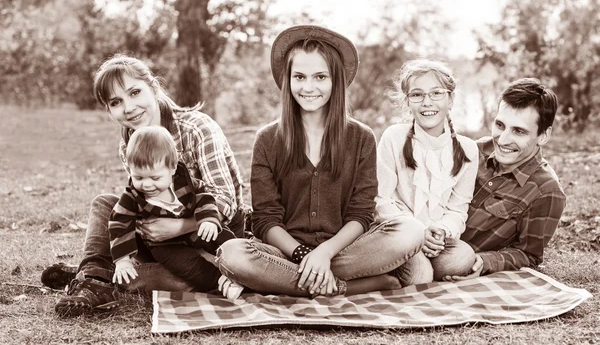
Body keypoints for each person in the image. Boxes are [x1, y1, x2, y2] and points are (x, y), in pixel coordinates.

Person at [216, 25, 425, 299]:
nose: (309, 87)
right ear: (287, 80)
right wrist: (304, 254)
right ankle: (343, 287)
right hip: (286, 252)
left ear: (335, 81)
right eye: (299, 77)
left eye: (320, 77)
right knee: (232, 255)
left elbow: (360, 215)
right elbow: (266, 220)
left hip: (343, 251)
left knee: (410, 231)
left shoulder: (361, 137)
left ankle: (284, 280)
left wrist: (324, 254)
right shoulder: (267, 139)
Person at [44, 54, 246, 316]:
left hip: (211, 235)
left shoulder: (196, 128)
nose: (129, 108)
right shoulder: (129, 142)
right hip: (165, 245)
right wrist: (141, 231)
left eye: (135, 92)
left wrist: (178, 227)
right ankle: (95, 273)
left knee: (184, 279)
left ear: (154, 88)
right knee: (106, 204)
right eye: (116, 102)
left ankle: (97, 277)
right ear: (109, 110)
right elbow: (139, 199)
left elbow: (224, 199)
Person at [445, 78, 566, 281]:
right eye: (500, 125)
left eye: (518, 131)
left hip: (454, 258)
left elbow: (528, 254)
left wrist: (485, 262)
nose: (502, 140)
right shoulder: (473, 151)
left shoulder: (546, 191)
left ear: (543, 136)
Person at [375, 59, 478, 286]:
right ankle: (396, 269)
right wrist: (418, 232)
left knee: (463, 256)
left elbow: (458, 209)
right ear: (407, 102)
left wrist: (441, 231)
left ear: (450, 99)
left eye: (436, 93)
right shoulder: (394, 138)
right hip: (398, 233)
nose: (427, 102)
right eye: (417, 95)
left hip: (436, 239)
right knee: (420, 276)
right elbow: (381, 200)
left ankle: (414, 266)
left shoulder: (468, 149)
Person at [109, 126, 239, 297]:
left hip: (195, 228)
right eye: (138, 177)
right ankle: (220, 282)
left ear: (172, 169)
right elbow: (119, 223)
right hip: (165, 246)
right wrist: (123, 260)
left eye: (155, 178)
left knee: (222, 238)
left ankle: (242, 268)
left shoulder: (184, 182)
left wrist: (208, 219)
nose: (147, 185)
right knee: (189, 267)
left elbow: (204, 196)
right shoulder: (132, 196)